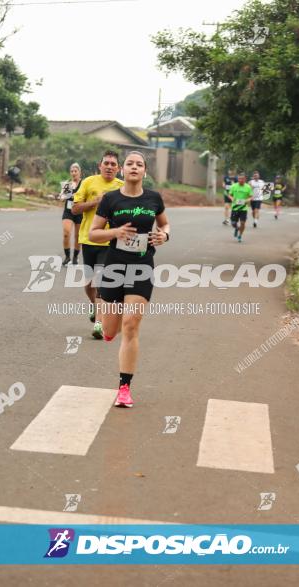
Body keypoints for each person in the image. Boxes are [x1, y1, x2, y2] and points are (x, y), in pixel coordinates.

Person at [88, 151, 170, 408]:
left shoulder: (154, 198)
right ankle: (110, 324)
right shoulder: (110, 199)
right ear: (123, 170)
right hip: (114, 266)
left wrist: (164, 236)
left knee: (131, 326)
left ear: (145, 171)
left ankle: (124, 387)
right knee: (111, 331)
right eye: (130, 164)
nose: (134, 167)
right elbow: (94, 233)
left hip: (142, 266)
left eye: (139, 164)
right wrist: (116, 232)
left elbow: (165, 225)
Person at [71, 151, 124, 339]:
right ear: (99, 166)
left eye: (113, 164)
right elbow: (75, 208)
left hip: (110, 240)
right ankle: (95, 305)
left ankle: (99, 324)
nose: (109, 167)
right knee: (89, 283)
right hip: (88, 239)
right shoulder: (88, 183)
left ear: (118, 169)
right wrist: (96, 202)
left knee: (101, 280)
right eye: (106, 163)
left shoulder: (122, 187)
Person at [59, 163, 83, 265]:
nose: (73, 173)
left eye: (75, 171)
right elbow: (62, 197)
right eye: (72, 171)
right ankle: (67, 256)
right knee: (66, 233)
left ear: (79, 172)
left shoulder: (84, 184)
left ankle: (75, 257)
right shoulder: (68, 184)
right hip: (68, 211)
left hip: (79, 212)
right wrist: (62, 196)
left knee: (78, 236)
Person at [228, 172, 253, 243]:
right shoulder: (233, 186)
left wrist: (247, 200)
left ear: (245, 179)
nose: (240, 180)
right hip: (235, 208)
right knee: (233, 223)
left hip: (243, 208)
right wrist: (232, 198)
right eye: (239, 179)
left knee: (243, 223)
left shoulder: (248, 187)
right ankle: (237, 228)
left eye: (242, 179)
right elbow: (230, 195)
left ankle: (240, 236)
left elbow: (251, 197)